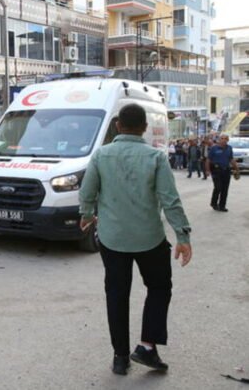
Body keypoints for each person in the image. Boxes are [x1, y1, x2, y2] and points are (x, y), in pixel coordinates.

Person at [79, 104, 192, 376]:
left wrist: (86, 215)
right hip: (149, 239)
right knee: (159, 287)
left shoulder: (101, 155)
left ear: (118, 126)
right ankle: (146, 346)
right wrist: (182, 235)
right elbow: (170, 200)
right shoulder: (156, 157)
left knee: (117, 294)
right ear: (144, 128)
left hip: (112, 239)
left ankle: (120, 357)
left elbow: (87, 191)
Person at [206, 134, 239, 212]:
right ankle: (214, 203)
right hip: (216, 170)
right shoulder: (214, 148)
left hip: (226, 170)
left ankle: (222, 206)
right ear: (219, 140)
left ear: (227, 140)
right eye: (222, 138)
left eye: (225, 139)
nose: (223, 140)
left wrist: (236, 168)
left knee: (225, 189)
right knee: (218, 187)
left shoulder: (229, 148)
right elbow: (208, 160)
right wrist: (207, 170)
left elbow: (231, 159)